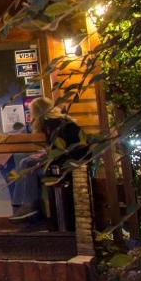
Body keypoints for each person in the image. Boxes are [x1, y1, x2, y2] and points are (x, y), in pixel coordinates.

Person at [28, 96, 91, 231]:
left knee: (28, 165)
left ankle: (30, 205)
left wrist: (46, 155)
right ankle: (28, 205)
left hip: (68, 164)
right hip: (74, 161)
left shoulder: (52, 124)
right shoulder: (61, 121)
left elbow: (58, 149)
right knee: (27, 162)